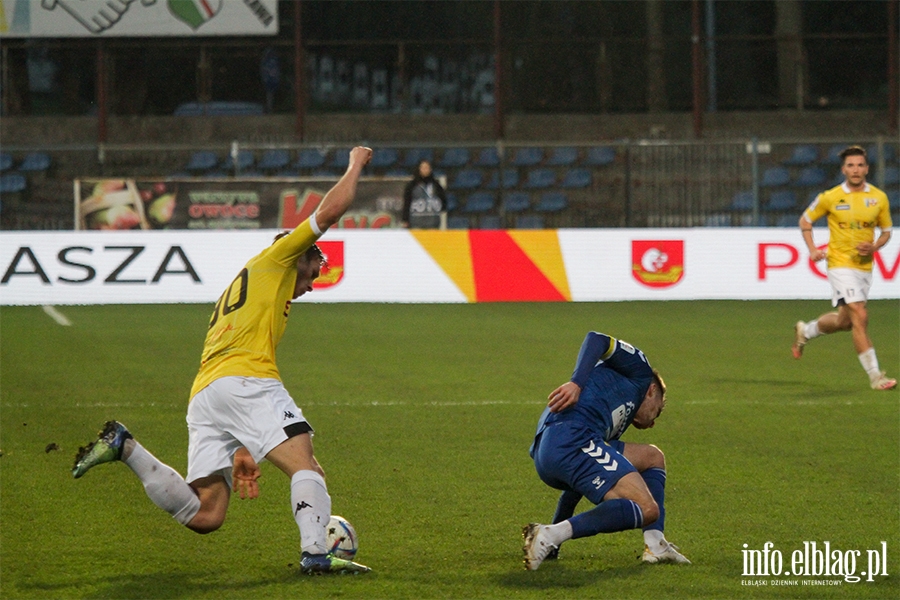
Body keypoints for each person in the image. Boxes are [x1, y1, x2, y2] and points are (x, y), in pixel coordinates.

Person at [72, 146, 375, 575]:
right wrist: (356, 163)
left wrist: (242, 442)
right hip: (246, 380)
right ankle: (315, 552)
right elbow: (329, 212)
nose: (315, 277)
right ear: (298, 255)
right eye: (315, 266)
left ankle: (126, 447)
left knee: (206, 514)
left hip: (207, 393)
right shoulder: (279, 256)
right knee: (307, 467)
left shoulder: (251, 285)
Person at [522, 331, 689, 571]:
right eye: (658, 411)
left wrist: (552, 548)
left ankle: (655, 545)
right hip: (571, 437)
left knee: (653, 457)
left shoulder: (613, 418)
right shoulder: (641, 372)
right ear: (652, 391)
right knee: (647, 508)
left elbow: (575, 488)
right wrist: (576, 383)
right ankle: (551, 534)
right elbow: (596, 339)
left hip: (552, 451)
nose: (653, 423)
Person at [791, 145, 896, 391]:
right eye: (851, 165)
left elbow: (887, 232)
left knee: (846, 321)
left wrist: (875, 246)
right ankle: (875, 376)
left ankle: (806, 330)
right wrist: (813, 249)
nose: (856, 169)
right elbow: (805, 220)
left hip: (863, 267)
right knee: (860, 315)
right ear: (843, 169)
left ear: (867, 168)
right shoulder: (830, 196)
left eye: (860, 165)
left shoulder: (879, 198)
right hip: (839, 264)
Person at [401, 159, 446, 229]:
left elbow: (443, 200)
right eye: (423, 168)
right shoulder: (412, 185)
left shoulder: (436, 185)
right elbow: (407, 203)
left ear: (430, 169)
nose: (425, 170)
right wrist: (405, 219)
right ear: (419, 169)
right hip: (416, 222)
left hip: (433, 223)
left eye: (427, 168)